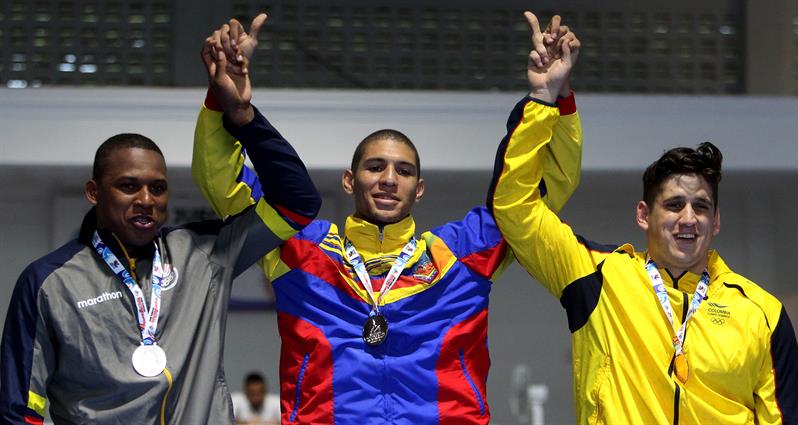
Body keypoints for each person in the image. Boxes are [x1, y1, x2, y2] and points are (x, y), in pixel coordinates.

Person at [192, 12, 581, 424]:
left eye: (404, 171)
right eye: (375, 167)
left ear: (420, 188)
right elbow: (226, 186)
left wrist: (550, 97)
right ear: (349, 180)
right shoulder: (299, 247)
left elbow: (537, 197)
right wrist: (226, 101)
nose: (389, 180)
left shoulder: (463, 252)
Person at [0, 15, 320, 424]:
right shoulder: (48, 282)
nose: (146, 200)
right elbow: (18, 409)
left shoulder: (204, 254)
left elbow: (298, 203)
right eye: (129, 187)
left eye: (158, 187)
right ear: (94, 192)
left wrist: (240, 115)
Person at [489, 12, 798, 424]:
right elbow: (516, 208)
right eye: (673, 205)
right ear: (643, 215)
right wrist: (547, 100)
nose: (688, 218)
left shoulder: (763, 313)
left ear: (716, 221)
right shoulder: (596, 276)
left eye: (701, 207)